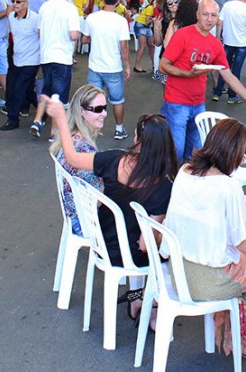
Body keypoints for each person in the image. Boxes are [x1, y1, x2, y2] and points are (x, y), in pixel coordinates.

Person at [162, 119, 246, 359]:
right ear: (234, 154)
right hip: (207, 282)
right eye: (243, 156)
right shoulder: (228, 187)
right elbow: (245, 243)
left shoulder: (184, 171)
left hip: (180, 270)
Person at [50, 97, 176, 318]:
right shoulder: (164, 185)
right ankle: (151, 306)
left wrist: (61, 119)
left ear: (137, 139)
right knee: (169, 250)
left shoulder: (114, 159)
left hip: (103, 242)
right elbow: (146, 245)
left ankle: (138, 298)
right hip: (129, 253)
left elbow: (72, 158)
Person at [160, 0, 246, 162]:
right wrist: (187, 74)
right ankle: (171, 185)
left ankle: (189, 185)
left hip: (198, 105)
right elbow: (163, 65)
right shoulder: (183, 35)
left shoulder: (215, 44)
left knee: (196, 154)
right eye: (205, 14)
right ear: (197, 15)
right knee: (175, 153)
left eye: (213, 15)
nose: (209, 19)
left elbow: (227, 75)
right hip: (176, 103)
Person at [50, 85, 106, 236]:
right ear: (81, 111)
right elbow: (98, 200)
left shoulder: (72, 139)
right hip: (85, 222)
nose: (105, 113)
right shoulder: (83, 150)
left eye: (105, 108)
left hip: (74, 216)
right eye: (98, 109)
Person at [31, 0, 82, 139]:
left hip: (46, 55)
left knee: (47, 89)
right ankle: (54, 131)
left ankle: (37, 121)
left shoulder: (45, 7)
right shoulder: (70, 9)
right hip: (62, 56)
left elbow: (39, 31)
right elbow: (73, 35)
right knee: (59, 95)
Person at [83, 0, 132, 139]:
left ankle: (90, 130)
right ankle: (119, 129)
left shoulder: (92, 17)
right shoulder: (121, 21)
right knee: (117, 100)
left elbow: (84, 40)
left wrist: (95, 37)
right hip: (113, 67)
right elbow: (124, 48)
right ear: (118, 0)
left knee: (92, 100)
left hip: (95, 66)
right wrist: (128, 66)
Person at [0, 0, 42, 131]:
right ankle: (44, 110)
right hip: (16, 59)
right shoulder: (11, 17)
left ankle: (13, 119)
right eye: (13, 1)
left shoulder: (35, 19)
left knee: (18, 89)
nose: (15, 4)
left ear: (26, 3)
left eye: (18, 2)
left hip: (31, 61)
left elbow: (42, 37)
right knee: (26, 90)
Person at [214, 0, 246, 104]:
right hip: (242, 43)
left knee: (224, 67)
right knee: (236, 70)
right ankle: (232, 96)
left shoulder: (228, 5)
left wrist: (218, 37)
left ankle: (217, 92)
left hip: (228, 42)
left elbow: (219, 22)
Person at [151, 0, 179, 85]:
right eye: (170, 3)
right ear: (166, 6)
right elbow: (158, 43)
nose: (174, 4)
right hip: (167, 59)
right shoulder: (164, 20)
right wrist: (156, 27)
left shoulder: (185, 18)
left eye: (176, 1)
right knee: (168, 91)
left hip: (181, 61)